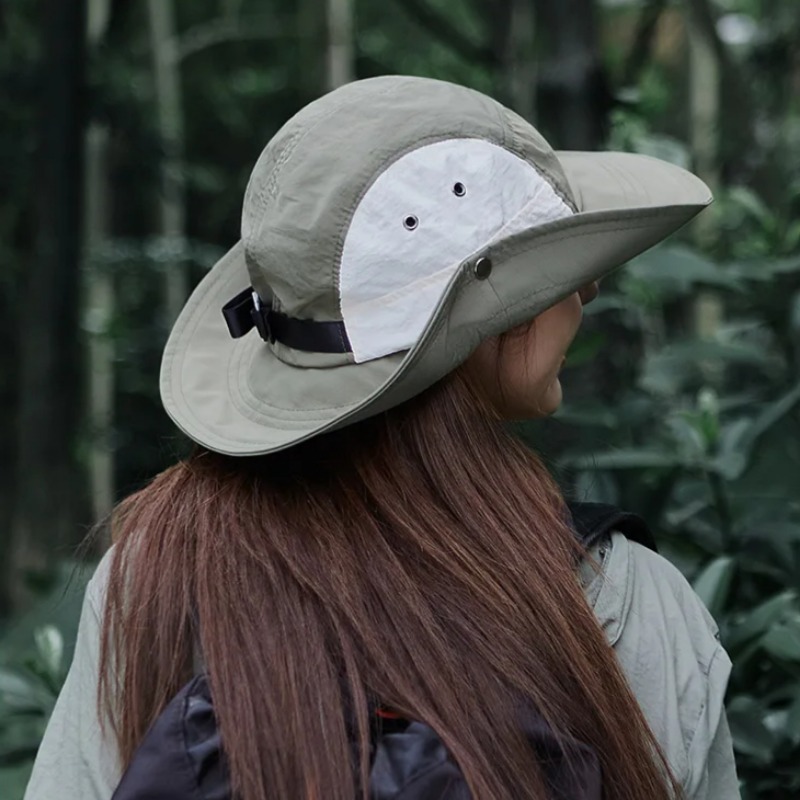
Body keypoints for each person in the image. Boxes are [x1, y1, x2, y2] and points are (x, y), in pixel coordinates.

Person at [24, 75, 739, 800]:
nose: (587, 292)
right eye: (556, 276)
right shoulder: (626, 601)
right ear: (493, 324)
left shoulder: (154, 576)